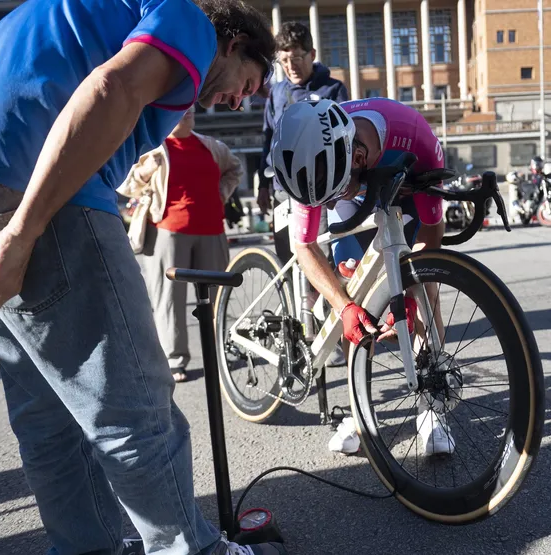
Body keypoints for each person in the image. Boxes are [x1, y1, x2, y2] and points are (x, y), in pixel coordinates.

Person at [0, 0, 284, 553]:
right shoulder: (191, 22)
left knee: (48, 412)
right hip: (35, 185)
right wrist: (22, 230)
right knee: (131, 405)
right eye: (247, 83)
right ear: (233, 44)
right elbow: (113, 89)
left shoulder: (80, 14)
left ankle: (88, 546)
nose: (238, 100)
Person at [269, 98, 453, 457]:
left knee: (426, 295)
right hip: (354, 197)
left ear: (356, 158)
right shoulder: (313, 159)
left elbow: (434, 229)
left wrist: (413, 287)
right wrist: (343, 306)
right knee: (357, 301)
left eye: (335, 190)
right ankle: (358, 409)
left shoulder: (415, 136)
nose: (331, 199)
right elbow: (303, 246)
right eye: (327, 196)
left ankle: (432, 409)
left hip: (407, 179)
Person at [118, 106, 243, 383]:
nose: (184, 114)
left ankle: (219, 353)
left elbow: (235, 169)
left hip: (211, 230)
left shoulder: (211, 146)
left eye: (188, 110)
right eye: (177, 110)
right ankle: (175, 360)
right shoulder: (152, 149)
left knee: (217, 298)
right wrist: (145, 171)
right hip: (167, 232)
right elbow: (125, 186)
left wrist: (220, 195)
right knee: (168, 301)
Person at [257, 22, 349, 265]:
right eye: (284, 60)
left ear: (312, 55)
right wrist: (262, 186)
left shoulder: (333, 89)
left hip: (319, 190)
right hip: (281, 190)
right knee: (288, 262)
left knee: (320, 260)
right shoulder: (276, 94)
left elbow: (346, 140)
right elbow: (268, 139)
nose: (290, 66)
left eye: (297, 57)